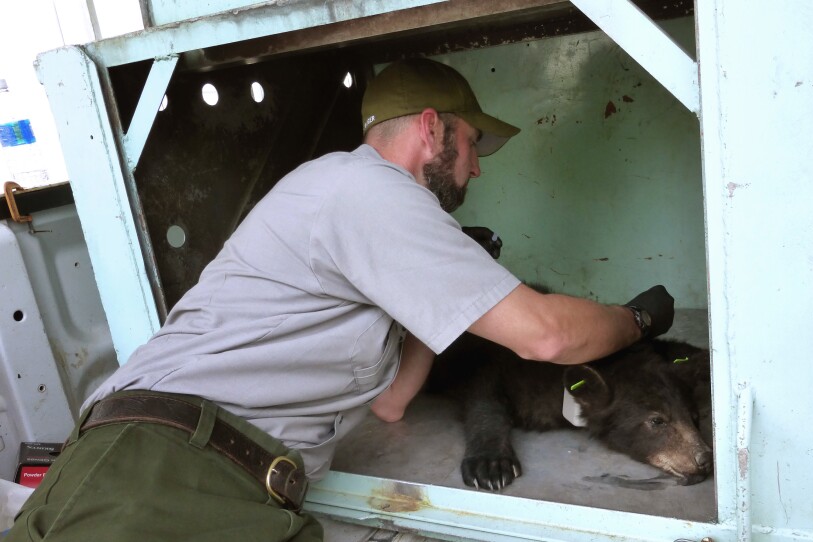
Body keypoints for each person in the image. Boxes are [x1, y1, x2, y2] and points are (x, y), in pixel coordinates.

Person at [6, 57, 673, 541]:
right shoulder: (362, 189)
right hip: (161, 477)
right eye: (472, 144)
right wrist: (636, 320)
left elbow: (391, 404)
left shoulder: (357, 205)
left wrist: (437, 299)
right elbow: (549, 337)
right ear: (432, 128)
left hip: (218, 480)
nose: (476, 166)